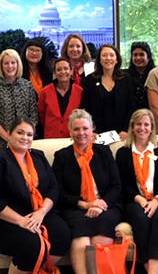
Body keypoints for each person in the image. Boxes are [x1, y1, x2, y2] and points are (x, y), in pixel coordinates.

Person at [0, 117, 70, 274]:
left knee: (63, 234)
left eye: (29, 134)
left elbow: (54, 188)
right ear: (8, 134)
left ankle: (36, 270)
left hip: (36, 211)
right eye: (20, 133)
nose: (25, 138)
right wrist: (21, 221)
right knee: (32, 244)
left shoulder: (38, 156)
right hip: (2, 218)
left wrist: (41, 213)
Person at [52, 109, 122, 274]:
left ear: (92, 131)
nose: (81, 133)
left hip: (107, 205)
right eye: (76, 129)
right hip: (76, 207)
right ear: (70, 132)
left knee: (102, 227)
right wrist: (86, 204)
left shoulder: (104, 152)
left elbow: (116, 186)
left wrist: (100, 204)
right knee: (80, 235)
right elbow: (58, 193)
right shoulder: (61, 157)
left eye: (85, 128)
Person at [115, 109, 158, 274]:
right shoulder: (123, 153)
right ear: (132, 126)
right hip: (135, 201)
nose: (142, 128)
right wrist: (140, 200)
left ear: (152, 128)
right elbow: (123, 183)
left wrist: (156, 200)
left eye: (146, 124)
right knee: (141, 218)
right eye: (138, 124)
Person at [0, 49, 38, 149]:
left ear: (18, 64)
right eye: (6, 63)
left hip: (25, 141)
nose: (10, 66)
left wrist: (25, 136)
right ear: (1, 65)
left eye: (13, 62)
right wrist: (9, 138)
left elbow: (34, 115)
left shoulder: (27, 85)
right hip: (1, 141)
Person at [81, 44, 135, 140]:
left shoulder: (125, 79)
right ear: (99, 60)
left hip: (121, 135)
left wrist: (125, 129)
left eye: (111, 55)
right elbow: (85, 108)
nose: (108, 58)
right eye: (104, 55)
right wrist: (90, 129)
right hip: (96, 135)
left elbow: (130, 107)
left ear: (117, 59)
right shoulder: (90, 80)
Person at [38, 58, 83, 138]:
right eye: (59, 69)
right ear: (54, 73)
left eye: (66, 68)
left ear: (71, 71)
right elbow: (41, 115)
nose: (63, 72)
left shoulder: (80, 91)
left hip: (72, 138)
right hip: (51, 139)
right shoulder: (45, 91)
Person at [123, 42, 156, 110]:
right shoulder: (125, 76)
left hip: (152, 116)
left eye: (141, 55)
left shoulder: (155, 75)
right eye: (135, 55)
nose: (138, 58)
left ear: (148, 57)